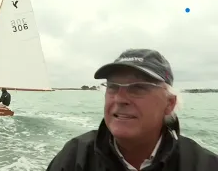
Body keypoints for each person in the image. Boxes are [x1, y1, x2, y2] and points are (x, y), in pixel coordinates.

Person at [46, 49, 218, 171]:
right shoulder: (75, 157)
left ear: (169, 103)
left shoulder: (204, 165)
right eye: (113, 87)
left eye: (138, 88)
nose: (120, 99)